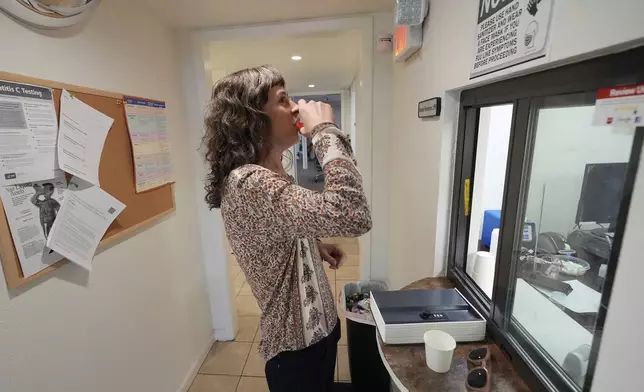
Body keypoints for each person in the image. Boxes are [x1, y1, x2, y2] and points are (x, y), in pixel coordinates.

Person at [202, 65, 372, 392]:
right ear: (252, 119)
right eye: (282, 100)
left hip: (320, 332)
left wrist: (313, 244)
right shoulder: (249, 183)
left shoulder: (273, 169)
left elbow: (280, 225)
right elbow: (353, 213)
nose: (295, 106)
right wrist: (325, 129)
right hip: (296, 350)